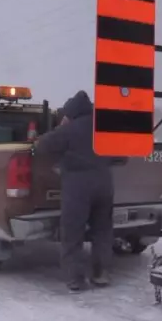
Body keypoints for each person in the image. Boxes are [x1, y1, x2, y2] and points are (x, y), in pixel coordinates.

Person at [34, 90, 114, 292]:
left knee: (73, 232)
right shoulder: (104, 127)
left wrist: (57, 129)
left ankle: (75, 278)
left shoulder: (69, 129)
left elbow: (42, 146)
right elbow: (120, 155)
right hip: (104, 183)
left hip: (79, 185)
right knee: (102, 231)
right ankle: (101, 273)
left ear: (72, 112)